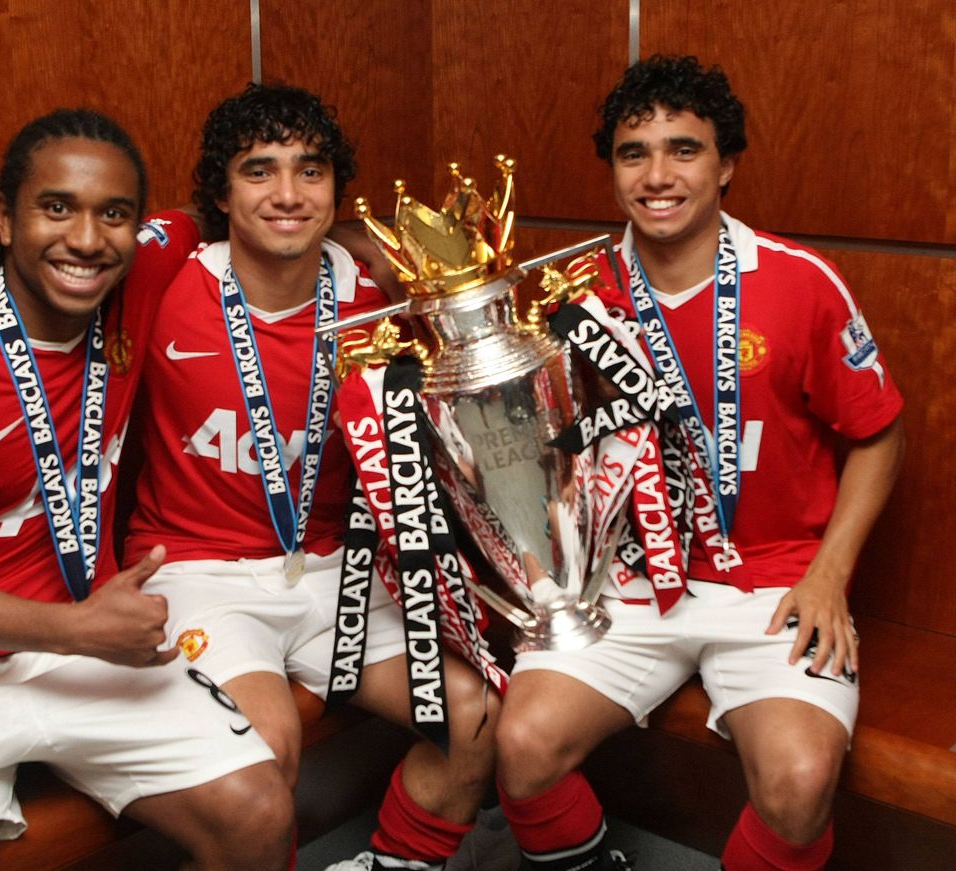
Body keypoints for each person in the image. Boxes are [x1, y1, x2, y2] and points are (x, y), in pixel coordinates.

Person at [0, 108, 293, 870]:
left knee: (259, 814)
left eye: (114, 214)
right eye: (56, 207)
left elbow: (234, 211)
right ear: (5, 217)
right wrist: (78, 629)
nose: (86, 239)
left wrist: (360, 244)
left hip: (87, 654)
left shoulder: (139, 273)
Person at [493, 56, 905, 871]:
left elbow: (879, 433)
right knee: (522, 742)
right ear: (611, 170)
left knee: (799, 779)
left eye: (684, 149)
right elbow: (552, 444)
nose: (657, 174)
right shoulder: (575, 290)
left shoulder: (797, 282)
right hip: (633, 582)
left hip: (774, 581)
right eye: (632, 151)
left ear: (726, 166)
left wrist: (829, 574)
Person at [125, 83, 500, 871]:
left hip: (335, 567)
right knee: (267, 749)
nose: (289, 194)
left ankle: (396, 860)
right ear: (220, 191)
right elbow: (100, 234)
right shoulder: (169, 278)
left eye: (311, 170)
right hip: (200, 570)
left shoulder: (372, 292)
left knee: (473, 714)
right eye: (259, 171)